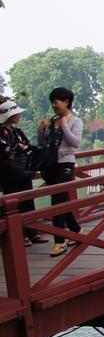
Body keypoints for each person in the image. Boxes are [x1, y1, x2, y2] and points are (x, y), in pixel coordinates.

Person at [38, 87, 83, 256]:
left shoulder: (75, 121)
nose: (53, 104)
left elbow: (75, 143)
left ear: (66, 101)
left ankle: (60, 240)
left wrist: (64, 127)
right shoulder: (51, 121)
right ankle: (75, 230)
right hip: (50, 166)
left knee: (57, 202)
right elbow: (43, 144)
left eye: (56, 101)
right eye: (52, 101)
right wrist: (41, 131)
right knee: (60, 200)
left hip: (65, 164)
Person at [0, 100, 45, 247]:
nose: (18, 115)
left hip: (23, 171)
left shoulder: (17, 132)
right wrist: (17, 148)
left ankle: (33, 231)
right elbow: (5, 149)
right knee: (15, 205)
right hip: (8, 174)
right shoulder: (1, 132)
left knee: (28, 201)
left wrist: (17, 149)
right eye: (15, 113)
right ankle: (20, 235)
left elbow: (26, 147)